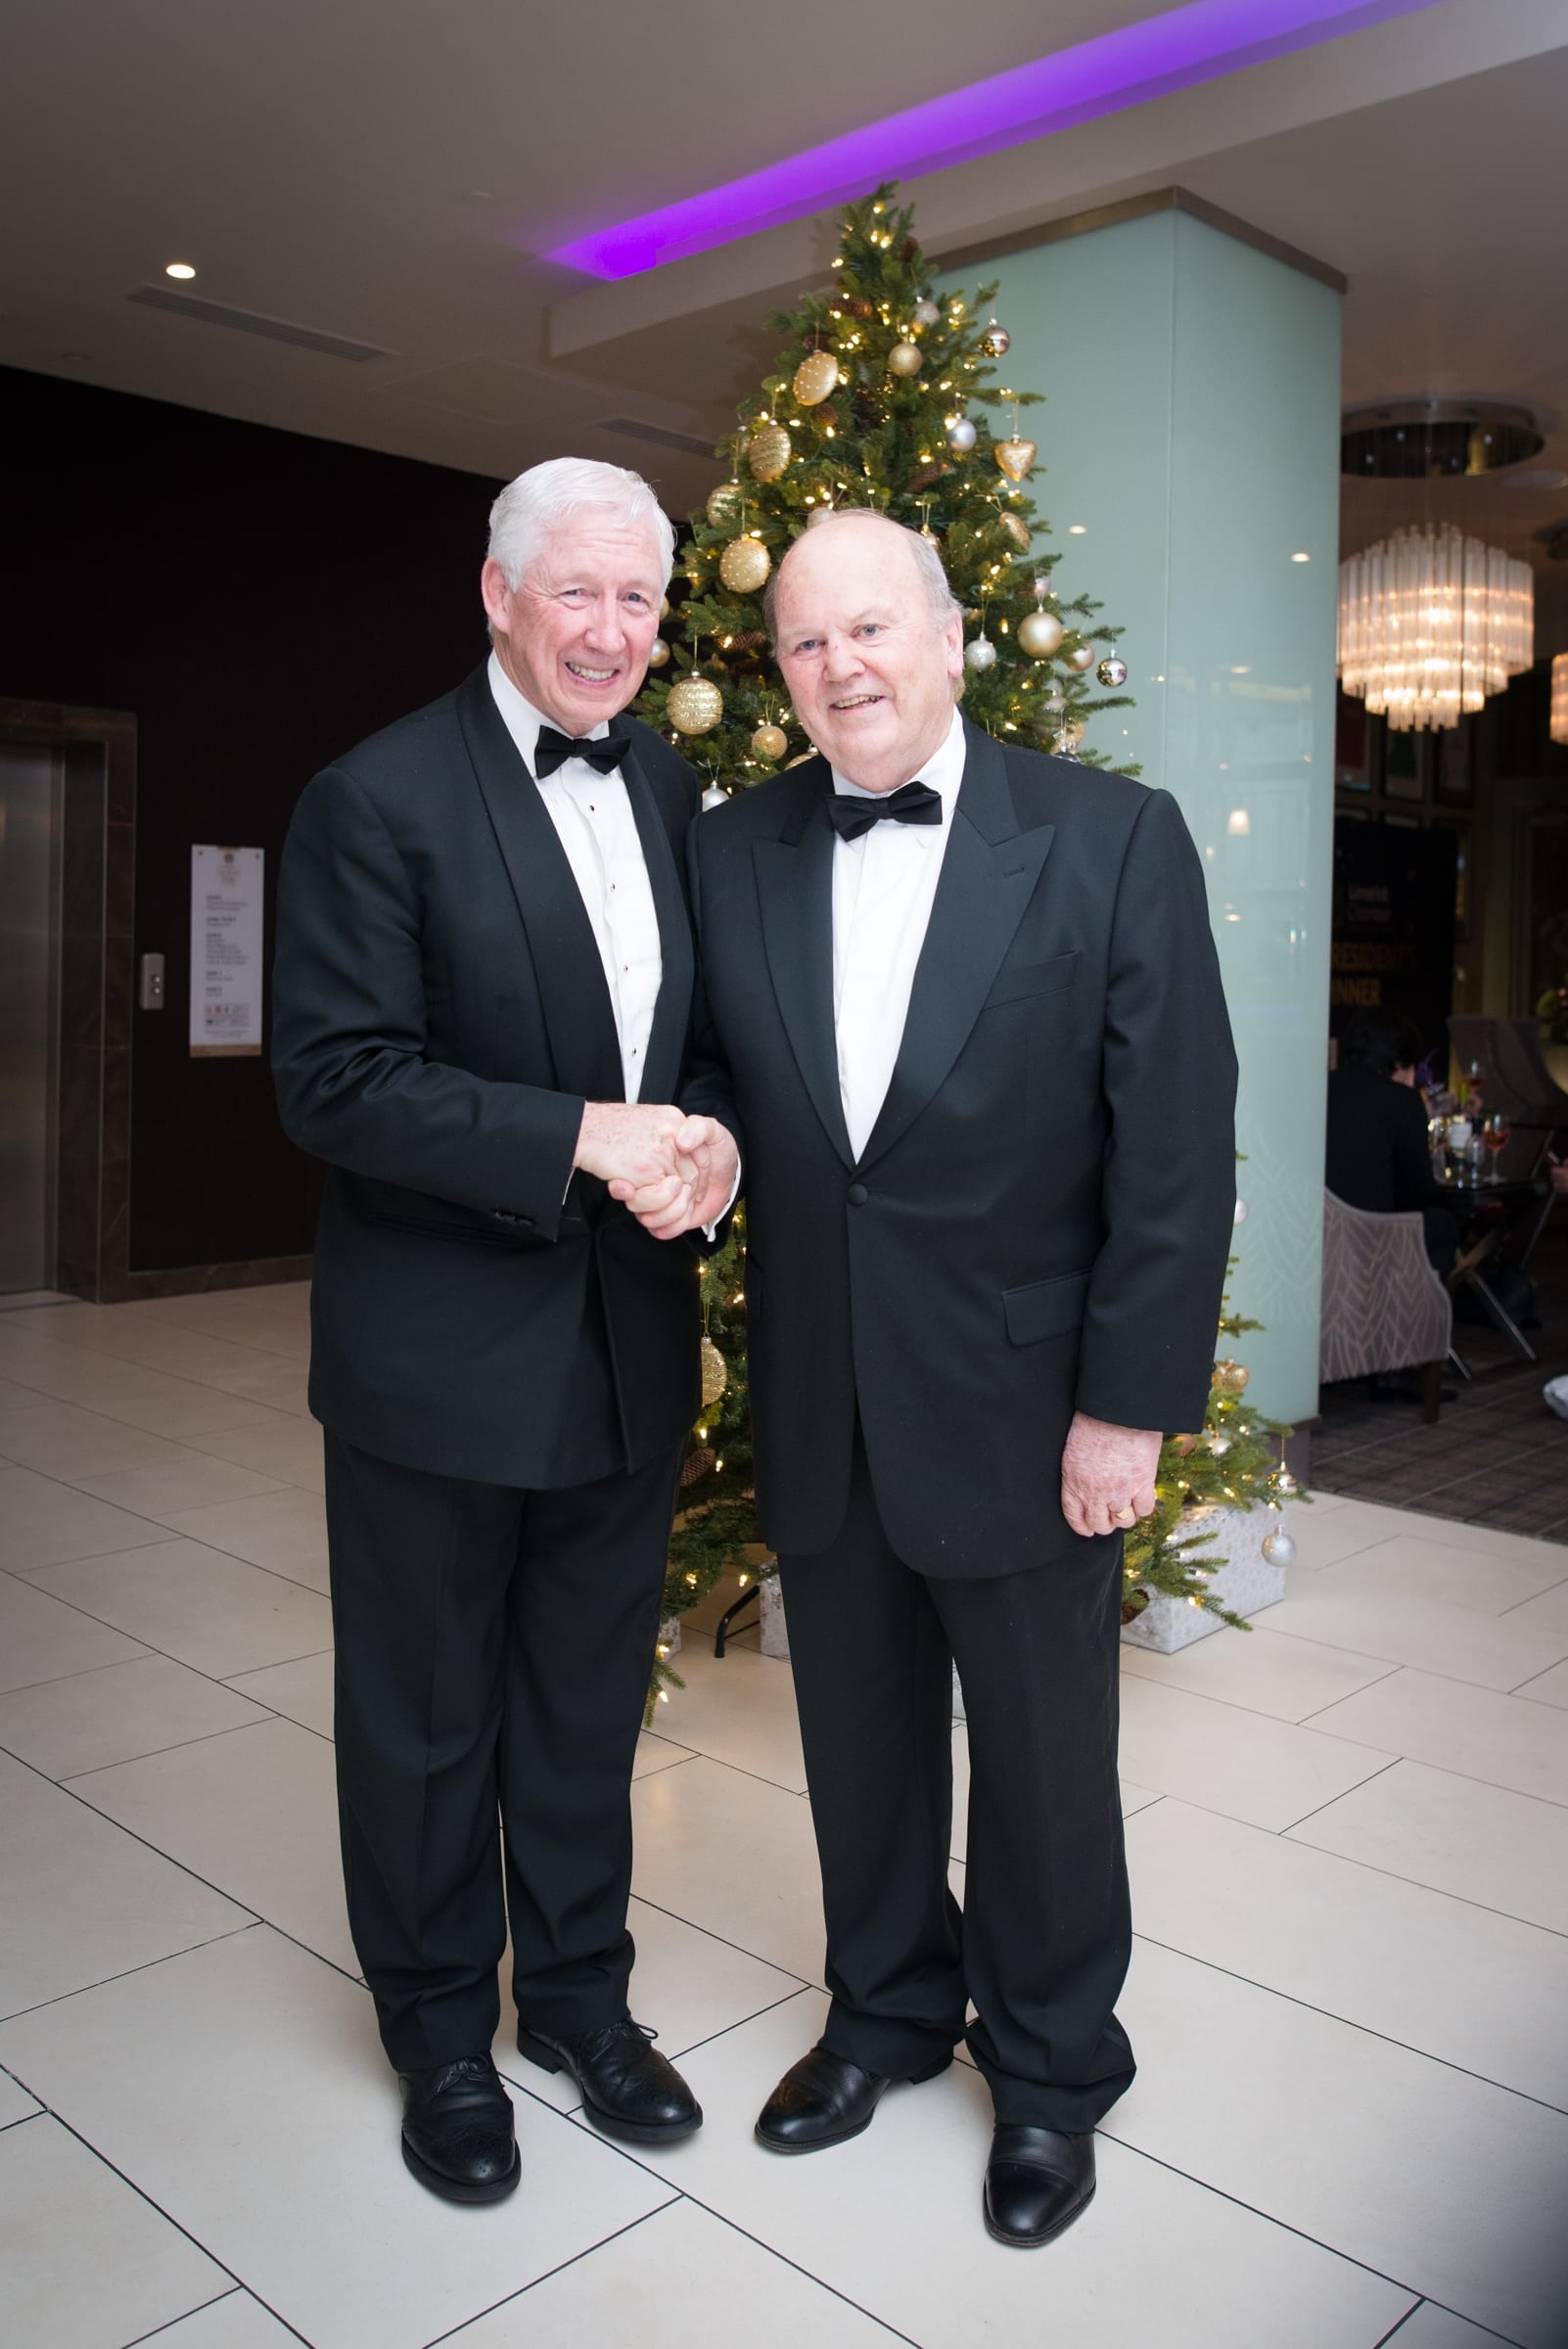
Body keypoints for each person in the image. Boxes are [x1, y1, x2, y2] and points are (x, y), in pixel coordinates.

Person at [616, 510, 1236, 2247]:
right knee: (858, 1744)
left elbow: (1174, 1151)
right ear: (781, 668)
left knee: (1043, 1767)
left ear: (952, 635)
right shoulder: (735, 847)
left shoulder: (1109, 839)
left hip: (1036, 1408)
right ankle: (884, 2009)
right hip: (827, 1389)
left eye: (874, 630)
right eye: (807, 644)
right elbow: (727, 1080)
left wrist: (1127, 1404)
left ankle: (1049, 2071)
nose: (844, 670)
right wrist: (711, 1154)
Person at [272, 457, 739, 2205]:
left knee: (583, 1701)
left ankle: (578, 2004)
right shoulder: (375, 797)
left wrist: (708, 1137)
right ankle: (438, 2037)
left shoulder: (678, 790)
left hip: (626, 1340)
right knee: (423, 1714)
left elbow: (701, 1039)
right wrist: (575, 1136)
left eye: (639, 601)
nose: (611, 634)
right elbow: (336, 1080)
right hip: (437, 1358)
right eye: (578, 595)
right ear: (497, 593)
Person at [1326, 1006, 1458, 1275]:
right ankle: (1411, 1312)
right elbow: (1417, 1192)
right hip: (1373, 1236)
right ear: (1398, 1062)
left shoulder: (1321, 1087)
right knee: (1443, 1224)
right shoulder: (1402, 1101)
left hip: (1319, 1231)